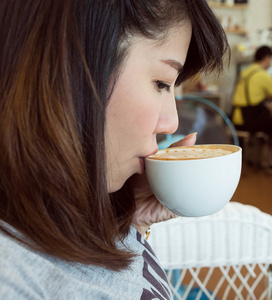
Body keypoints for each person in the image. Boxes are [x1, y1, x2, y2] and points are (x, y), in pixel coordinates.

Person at [0, 0, 228, 299]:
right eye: (162, 83)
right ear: (73, 68)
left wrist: (133, 221)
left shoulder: (74, 218)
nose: (171, 122)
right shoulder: (13, 277)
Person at [231, 46, 272, 167]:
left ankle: (259, 159)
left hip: (236, 116)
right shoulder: (262, 75)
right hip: (250, 118)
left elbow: (257, 95)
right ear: (267, 58)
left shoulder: (246, 72)